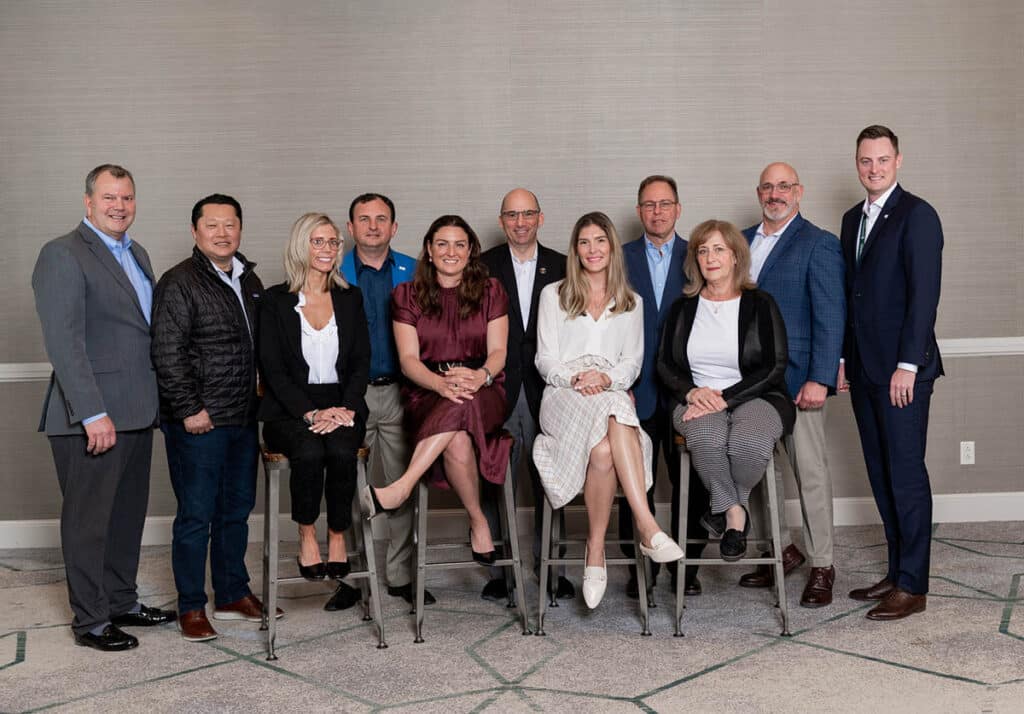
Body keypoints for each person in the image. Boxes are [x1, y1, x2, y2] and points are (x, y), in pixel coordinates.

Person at [32, 164, 175, 651]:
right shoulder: (62, 254)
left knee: (126, 517)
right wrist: (92, 413)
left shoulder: (138, 253)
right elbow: (65, 342)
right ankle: (91, 621)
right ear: (88, 202)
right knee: (88, 523)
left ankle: (121, 601)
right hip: (91, 418)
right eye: (110, 197)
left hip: (138, 410)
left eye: (128, 197)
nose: (120, 206)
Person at [533, 212, 685, 609]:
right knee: (618, 408)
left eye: (600, 241)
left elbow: (631, 364)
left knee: (604, 448)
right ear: (575, 249)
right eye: (584, 242)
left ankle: (594, 551)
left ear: (612, 247)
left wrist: (606, 380)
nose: (592, 249)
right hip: (563, 395)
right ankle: (647, 525)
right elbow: (545, 359)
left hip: (609, 392)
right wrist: (576, 378)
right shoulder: (554, 294)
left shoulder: (630, 302)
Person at [151, 193, 276, 642]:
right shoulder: (179, 282)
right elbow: (167, 351)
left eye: (231, 225)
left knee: (236, 510)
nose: (223, 233)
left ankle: (231, 593)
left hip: (243, 418)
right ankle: (191, 606)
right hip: (199, 421)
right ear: (195, 231)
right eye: (213, 225)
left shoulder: (249, 278)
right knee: (196, 515)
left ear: (240, 229)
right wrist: (189, 409)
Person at [360, 215, 510, 570]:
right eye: (442, 243)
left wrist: (480, 375)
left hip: (483, 387)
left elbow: (499, 353)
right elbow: (409, 360)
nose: (451, 251)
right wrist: (439, 383)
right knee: (456, 439)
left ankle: (401, 486)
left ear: (471, 250)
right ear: (428, 250)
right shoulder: (407, 295)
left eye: (460, 244)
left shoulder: (491, 290)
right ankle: (477, 519)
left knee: (463, 401)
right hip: (426, 390)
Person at [839, 125, 943, 621]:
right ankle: (897, 570)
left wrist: (908, 364)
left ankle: (914, 585)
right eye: (865, 161)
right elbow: (850, 296)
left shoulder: (918, 216)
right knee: (880, 474)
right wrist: (842, 360)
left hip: (904, 371)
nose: (874, 168)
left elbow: (924, 299)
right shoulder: (849, 220)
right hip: (863, 368)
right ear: (856, 164)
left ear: (898, 161)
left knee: (905, 474)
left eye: (882, 160)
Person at [739, 162, 846, 607]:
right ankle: (780, 551)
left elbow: (830, 315)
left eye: (784, 186)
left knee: (810, 474)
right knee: (759, 470)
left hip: (800, 378)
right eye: (768, 186)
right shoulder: (739, 242)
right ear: (758, 191)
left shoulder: (819, 244)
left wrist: (822, 378)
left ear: (799, 192)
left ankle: (823, 563)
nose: (775, 194)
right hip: (750, 382)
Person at [657, 220, 795, 562]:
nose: (710, 257)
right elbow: (663, 364)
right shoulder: (682, 308)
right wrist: (690, 393)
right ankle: (735, 513)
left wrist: (725, 398)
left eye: (719, 249)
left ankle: (727, 507)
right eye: (702, 250)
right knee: (705, 439)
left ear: (736, 256)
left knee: (747, 443)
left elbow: (775, 365)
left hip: (755, 395)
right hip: (695, 401)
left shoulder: (760, 303)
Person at [259, 213, 369, 611]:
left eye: (333, 242)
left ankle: (337, 533)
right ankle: (307, 533)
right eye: (317, 241)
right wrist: (309, 413)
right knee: (308, 452)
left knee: (340, 451)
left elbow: (361, 362)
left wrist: (345, 409)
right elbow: (273, 369)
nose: (327, 250)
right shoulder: (275, 301)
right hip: (289, 408)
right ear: (301, 246)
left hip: (342, 405)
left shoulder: (350, 297)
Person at [480, 188, 573, 602]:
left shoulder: (563, 266)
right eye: (512, 215)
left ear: (541, 217)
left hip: (548, 388)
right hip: (498, 386)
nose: (520, 222)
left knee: (551, 480)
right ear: (502, 221)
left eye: (528, 213)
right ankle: (502, 571)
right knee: (496, 477)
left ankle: (554, 570)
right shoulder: (482, 266)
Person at [340, 193, 433, 607]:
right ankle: (348, 578)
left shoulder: (415, 272)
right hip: (347, 396)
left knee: (398, 484)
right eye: (364, 219)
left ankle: (398, 575)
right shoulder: (331, 270)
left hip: (400, 391)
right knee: (342, 485)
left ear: (394, 228)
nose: (373, 226)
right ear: (350, 228)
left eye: (382, 219)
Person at [622, 175, 709, 598]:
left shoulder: (700, 256)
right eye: (649, 205)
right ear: (639, 211)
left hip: (684, 389)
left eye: (665, 204)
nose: (657, 212)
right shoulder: (618, 258)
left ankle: (685, 568)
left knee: (689, 480)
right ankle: (640, 569)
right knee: (636, 480)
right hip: (634, 388)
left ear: (678, 209)